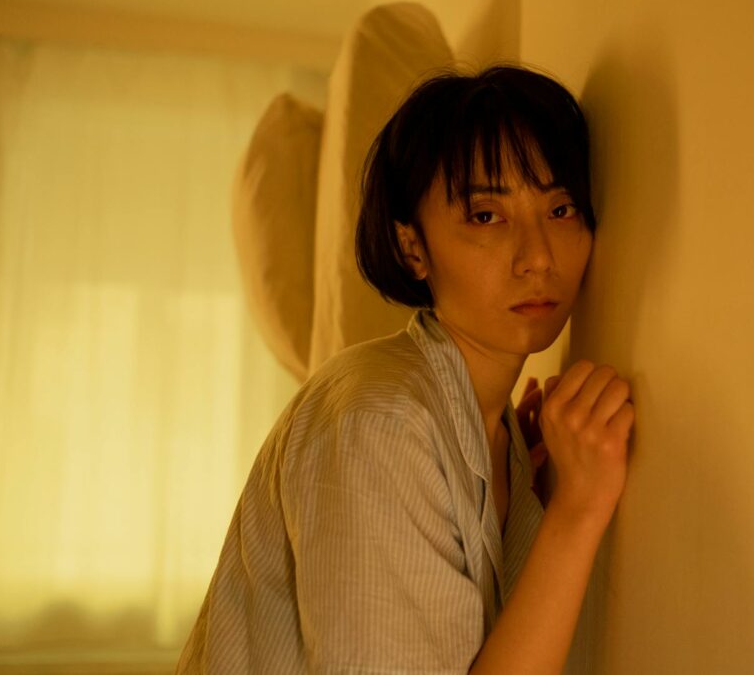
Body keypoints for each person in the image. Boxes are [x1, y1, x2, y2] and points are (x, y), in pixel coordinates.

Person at [176, 65, 634, 674]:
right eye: (486, 216)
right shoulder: (382, 423)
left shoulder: (498, 437)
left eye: (561, 208)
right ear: (412, 247)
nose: (538, 257)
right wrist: (578, 509)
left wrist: (532, 494)